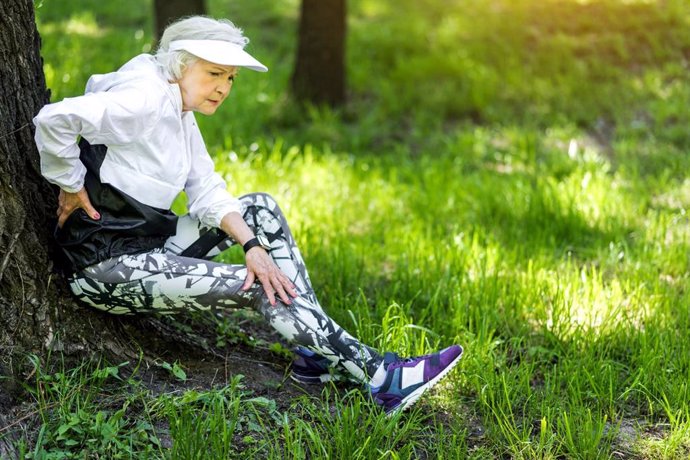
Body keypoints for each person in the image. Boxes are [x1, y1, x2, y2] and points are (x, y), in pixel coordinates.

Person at [32, 16, 463, 415]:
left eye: (230, 78)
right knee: (258, 287)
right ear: (182, 64)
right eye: (213, 73)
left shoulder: (176, 102)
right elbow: (53, 120)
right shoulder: (145, 98)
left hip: (151, 244)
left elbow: (205, 187)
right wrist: (70, 183)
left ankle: (315, 354)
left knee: (258, 209)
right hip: (104, 267)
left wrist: (252, 246)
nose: (223, 87)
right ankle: (382, 377)